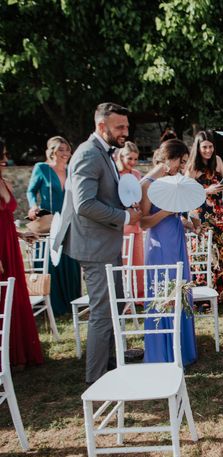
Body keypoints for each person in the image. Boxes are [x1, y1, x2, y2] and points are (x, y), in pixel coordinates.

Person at [53, 103, 142, 384]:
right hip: (94, 246)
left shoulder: (106, 153)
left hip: (106, 242)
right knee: (103, 313)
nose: (125, 132)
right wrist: (125, 215)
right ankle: (97, 379)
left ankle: (113, 361)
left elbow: (103, 195)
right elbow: (85, 204)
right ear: (101, 126)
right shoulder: (88, 154)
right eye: (120, 127)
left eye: (126, 126)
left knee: (114, 306)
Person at [140, 139, 197, 366]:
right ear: (169, 158)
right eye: (181, 162)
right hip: (158, 246)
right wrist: (166, 212)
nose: (182, 168)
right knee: (163, 293)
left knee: (180, 291)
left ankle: (181, 349)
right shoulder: (146, 184)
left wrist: (189, 222)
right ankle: (162, 351)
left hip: (177, 242)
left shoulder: (174, 183)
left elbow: (178, 216)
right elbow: (144, 222)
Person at [0, 140, 44, 368]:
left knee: (15, 295)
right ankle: (4, 356)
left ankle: (19, 353)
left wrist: (20, 233)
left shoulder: (5, 182)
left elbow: (5, 220)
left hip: (10, 245)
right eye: (2, 156)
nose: (5, 160)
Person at [26, 136, 81, 316]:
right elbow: (31, 191)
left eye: (67, 149)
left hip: (70, 220)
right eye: (61, 150)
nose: (65, 153)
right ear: (52, 151)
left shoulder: (72, 170)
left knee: (70, 259)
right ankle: (53, 304)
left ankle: (73, 301)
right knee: (52, 261)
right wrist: (33, 205)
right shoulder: (42, 168)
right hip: (49, 221)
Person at [186, 130, 223, 292]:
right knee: (203, 250)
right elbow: (186, 192)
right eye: (204, 147)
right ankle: (203, 292)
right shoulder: (191, 167)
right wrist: (206, 191)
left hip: (219, 213)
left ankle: (222, 291)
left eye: (210, 147)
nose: (208, 150)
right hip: (201, 214)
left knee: (221, 249)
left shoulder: (218, 160)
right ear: (197, 148)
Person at [116, 141, 145, 297]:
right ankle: (124, 294)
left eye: (135, 159)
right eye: (130, 159)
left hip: (136, 222)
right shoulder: (115, 174)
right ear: (121, 156)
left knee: (138, 260)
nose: (133, 162)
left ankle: (139, 294)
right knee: (124, 260)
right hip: (122, 222)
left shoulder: (136, 174)